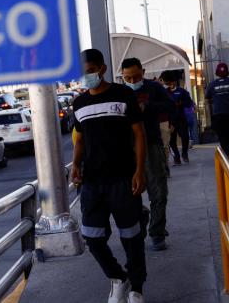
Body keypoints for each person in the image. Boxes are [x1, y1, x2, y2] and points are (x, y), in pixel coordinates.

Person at [72, 49, 147, 303]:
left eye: (91, 71)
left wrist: (139, 170)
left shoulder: (123, 94)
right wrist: (74, 165)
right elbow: (79, 140)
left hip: (123, 179)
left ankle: (136, 288)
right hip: (92, 182)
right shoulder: (78, 103)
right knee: (92, 238)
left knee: (131, 237)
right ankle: (118, 277)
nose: (86, 76)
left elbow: (139, 134)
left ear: (102, 69)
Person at [122, 58, 175, 251]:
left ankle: (157, 232)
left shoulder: (154, 88)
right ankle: (142, 217)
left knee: (158, 192)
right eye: (128, 77)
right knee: (127, 194)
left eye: (136, 76)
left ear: (143, 72)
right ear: (122, 76)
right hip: (127, 149)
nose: (133, 80)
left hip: (151, 144)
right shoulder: (119, 92)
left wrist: (149, 107)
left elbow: (170, 106)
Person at [161, 71, 193, 164]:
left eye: (170, 82)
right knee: (171, 140)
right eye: (166, 83)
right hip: (169, 120)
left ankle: (184, 153)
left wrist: (180, 103)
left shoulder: (182, 91)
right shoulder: (164, 93)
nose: (169, 85)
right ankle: (177, 157)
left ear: (174, 82)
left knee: (185, 137)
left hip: (181, 119)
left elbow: (188, 103)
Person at [206, 62, 229, 155]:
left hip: (218, 114)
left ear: (217, 73)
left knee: (222, 136)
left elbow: (207, 98)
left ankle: (227, 156)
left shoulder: (212, 84)